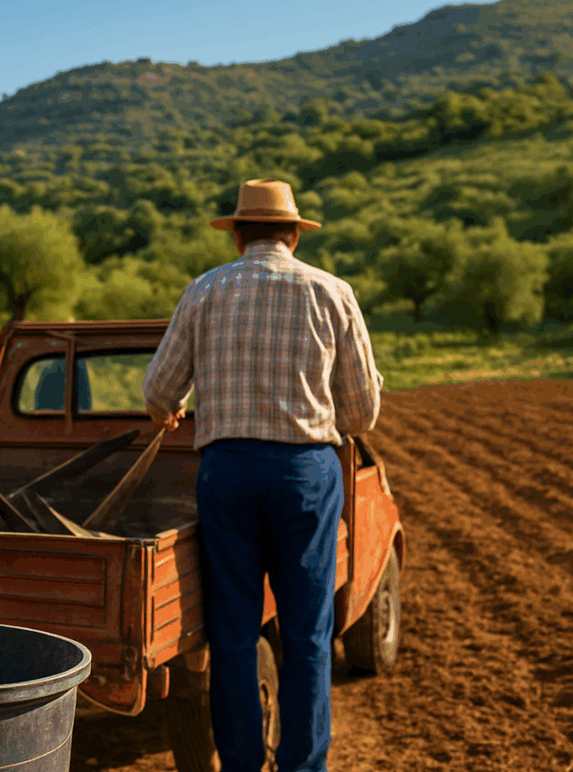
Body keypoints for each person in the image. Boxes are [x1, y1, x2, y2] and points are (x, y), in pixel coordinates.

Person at [142, 178, 382, 772]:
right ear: (295, 234)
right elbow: (361, 414)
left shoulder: (205, 289)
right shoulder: (332, 292)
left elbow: (158, 391)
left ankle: (243, 764)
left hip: (228, 472)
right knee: (306, 634)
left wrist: (171, 408)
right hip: (306, 473)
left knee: (233, 633)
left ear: (238, 234)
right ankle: (302, 765)